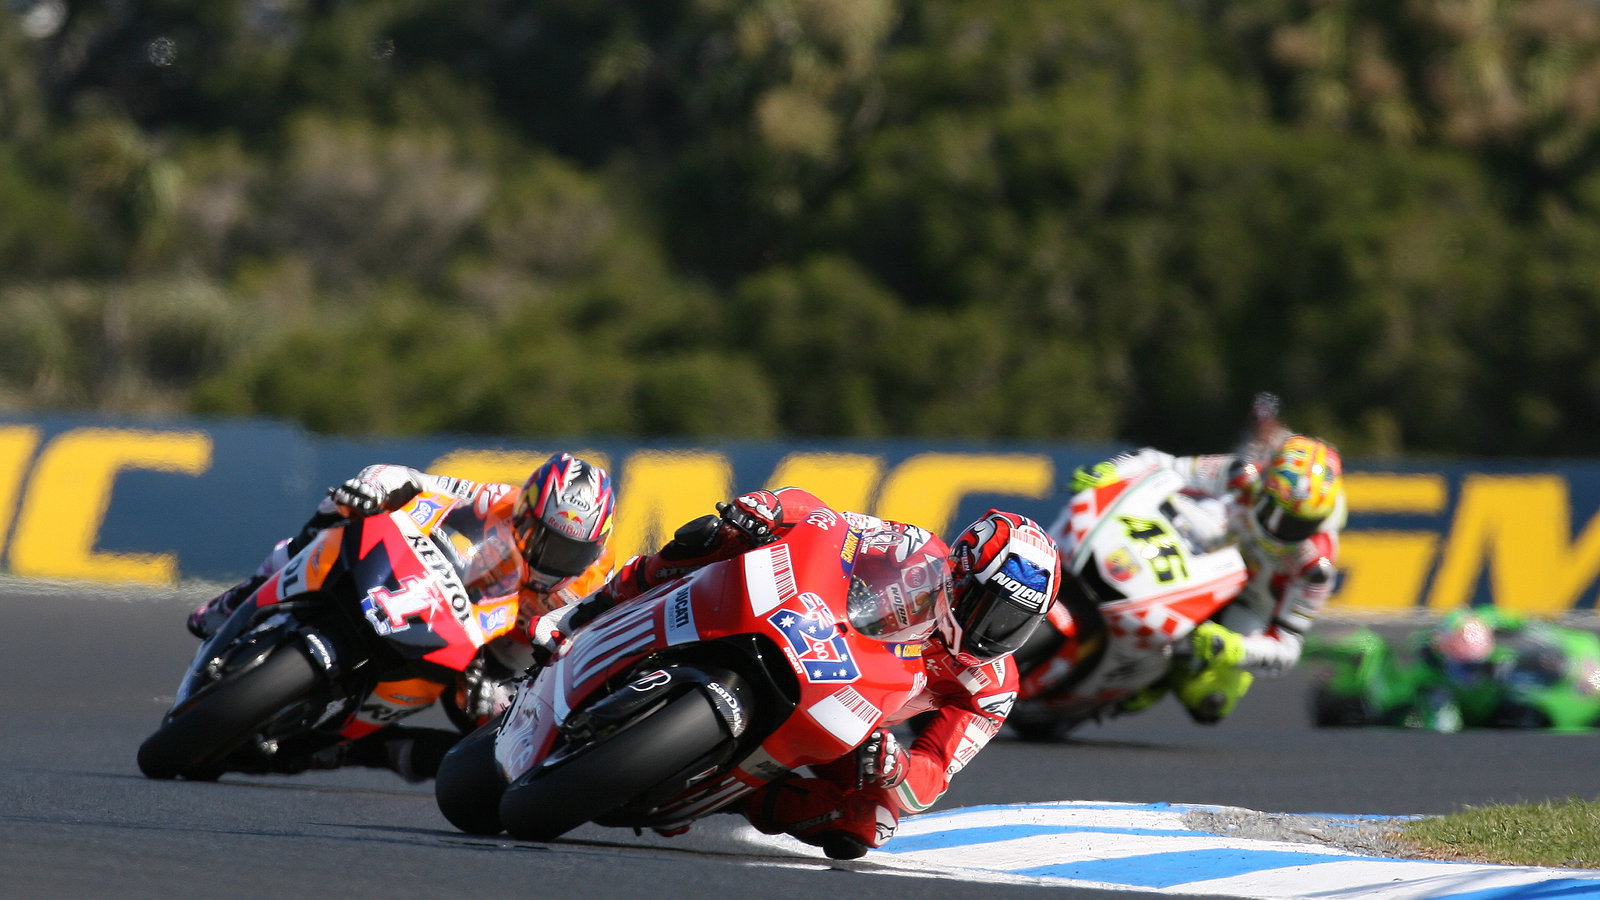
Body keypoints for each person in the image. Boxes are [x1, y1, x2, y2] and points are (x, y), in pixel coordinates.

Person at [529, 486, 1062, 860]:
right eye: (992, 609)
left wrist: (895, 766)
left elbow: (932, 779)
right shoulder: (914, 549)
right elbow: (827, 520)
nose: (997, 632)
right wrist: (770, 510)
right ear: (961, 576)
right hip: (820, 632)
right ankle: (594, 606)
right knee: (715, 534)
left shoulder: (994, 685)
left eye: (1018, 623)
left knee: (870, 824)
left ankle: (733, 792)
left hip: (856, 715)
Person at [186, 452, 617, 780]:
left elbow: (569, 668)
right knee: (340, 512)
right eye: (545, 540)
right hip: (435, 599)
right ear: (526, 512)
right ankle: (242, 594)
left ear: (594, 548)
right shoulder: (495, 501)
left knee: (489, 750)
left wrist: (512, 698)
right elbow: (412, 479)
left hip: (498, 663)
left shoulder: (591, 588)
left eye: (570, 552)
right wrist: (373, 488)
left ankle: (346, 748)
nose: (552, 559)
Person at [1061, 393, 1345, 724]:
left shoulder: (1316, 567)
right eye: (1274, 511)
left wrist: (1238, 647)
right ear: (1265, 484)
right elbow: (1161, 464)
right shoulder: (1243, 472)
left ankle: (1148, 681)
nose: (1280, 529)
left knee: (1210, 701)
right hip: (1200, 540)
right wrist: (1109, 471)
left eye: (1299, 524)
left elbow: (1287, 646)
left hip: (1247, 602)